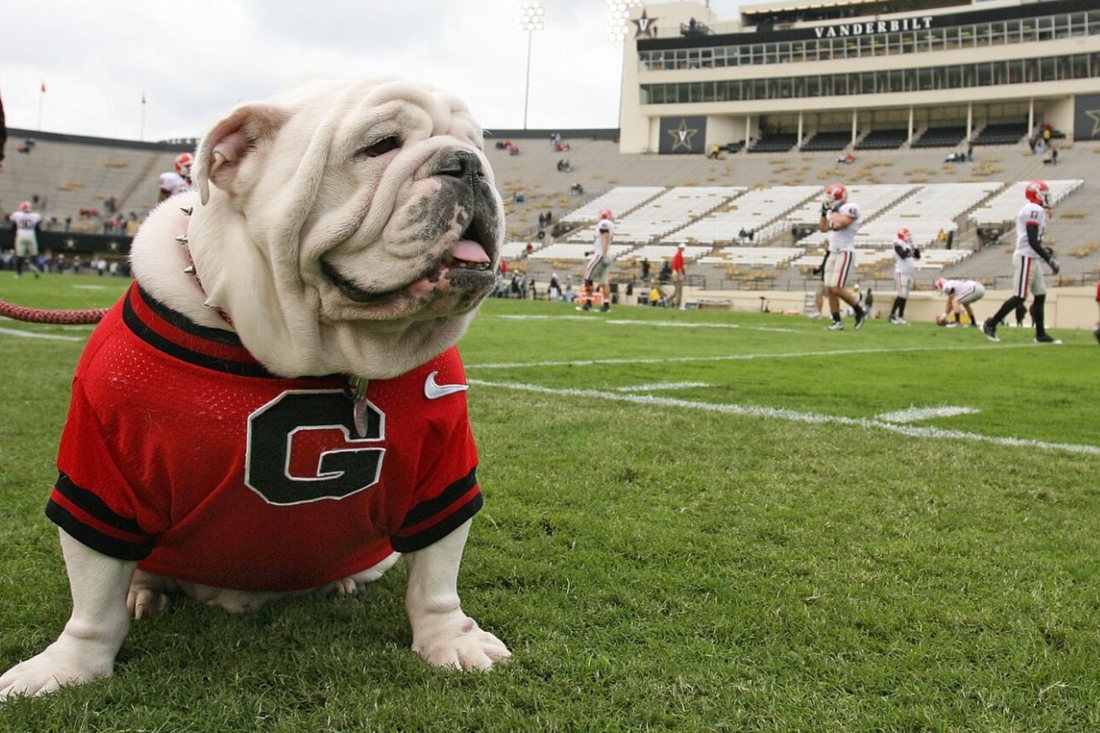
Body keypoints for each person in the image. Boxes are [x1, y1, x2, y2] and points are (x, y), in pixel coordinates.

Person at [983, 180, 1062, 344]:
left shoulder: (1036, 209)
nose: (1048, 197)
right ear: (1037, 194)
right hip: (1026, 256)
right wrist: (1049, 260)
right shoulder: (1034, 209)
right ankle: (991, 324)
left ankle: (1040, 335)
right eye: (1045, 193)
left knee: (1040, 295)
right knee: (1020, 297)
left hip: (1031, 257)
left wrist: (1045, 255)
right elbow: (1032, 240)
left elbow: (1034, 240)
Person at [818, 183, 866, 331]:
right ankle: (836, 321)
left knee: (837, 288)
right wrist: (823, 212)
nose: (829, 199)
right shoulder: (834, 211)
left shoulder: (851, 208)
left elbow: (839, 224)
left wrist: (833, 210)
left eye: (831, 196)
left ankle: (859, 311)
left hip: (845, 252)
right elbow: (823, 228)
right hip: (832, 252)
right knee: (829, 289)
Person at [578, 209, 614, 313]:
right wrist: (590, 252)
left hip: (601, 255)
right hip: (606, 254)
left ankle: (588, 304)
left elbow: (605, 238)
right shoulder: (609, 224)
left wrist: (603, 254)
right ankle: (606, 306)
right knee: (604, 282)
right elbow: (602, 242)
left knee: (588, 278)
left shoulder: (604, 223)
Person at [889, 227, 920, 324]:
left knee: (905, 296)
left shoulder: (908, 245)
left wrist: (914, 246)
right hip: (901, 272)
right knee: (901, 295)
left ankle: (900, 316)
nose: (909, 237)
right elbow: (902, 254)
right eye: (907, 235)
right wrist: (908, 247)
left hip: (909, 273)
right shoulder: (898, 242)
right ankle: (892, 315)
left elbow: (918, 256)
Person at [9, 201, 44, 278]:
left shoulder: (17, 215)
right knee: (34, 254)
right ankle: (34, 266)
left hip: (20, 234)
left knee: (19, 255)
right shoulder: (35, 216)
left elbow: (13, 227)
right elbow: (38, 228)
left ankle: (18, 273)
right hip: (31, 234)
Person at [671, 243, 686, 309]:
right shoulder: (678, 256)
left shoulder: (677, 255)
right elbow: (679, 267)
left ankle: (667, 300)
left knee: (677, 290)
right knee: (679, 291)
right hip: (677, 273)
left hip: (675, 273)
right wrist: (681, 275)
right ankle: (677, 305)